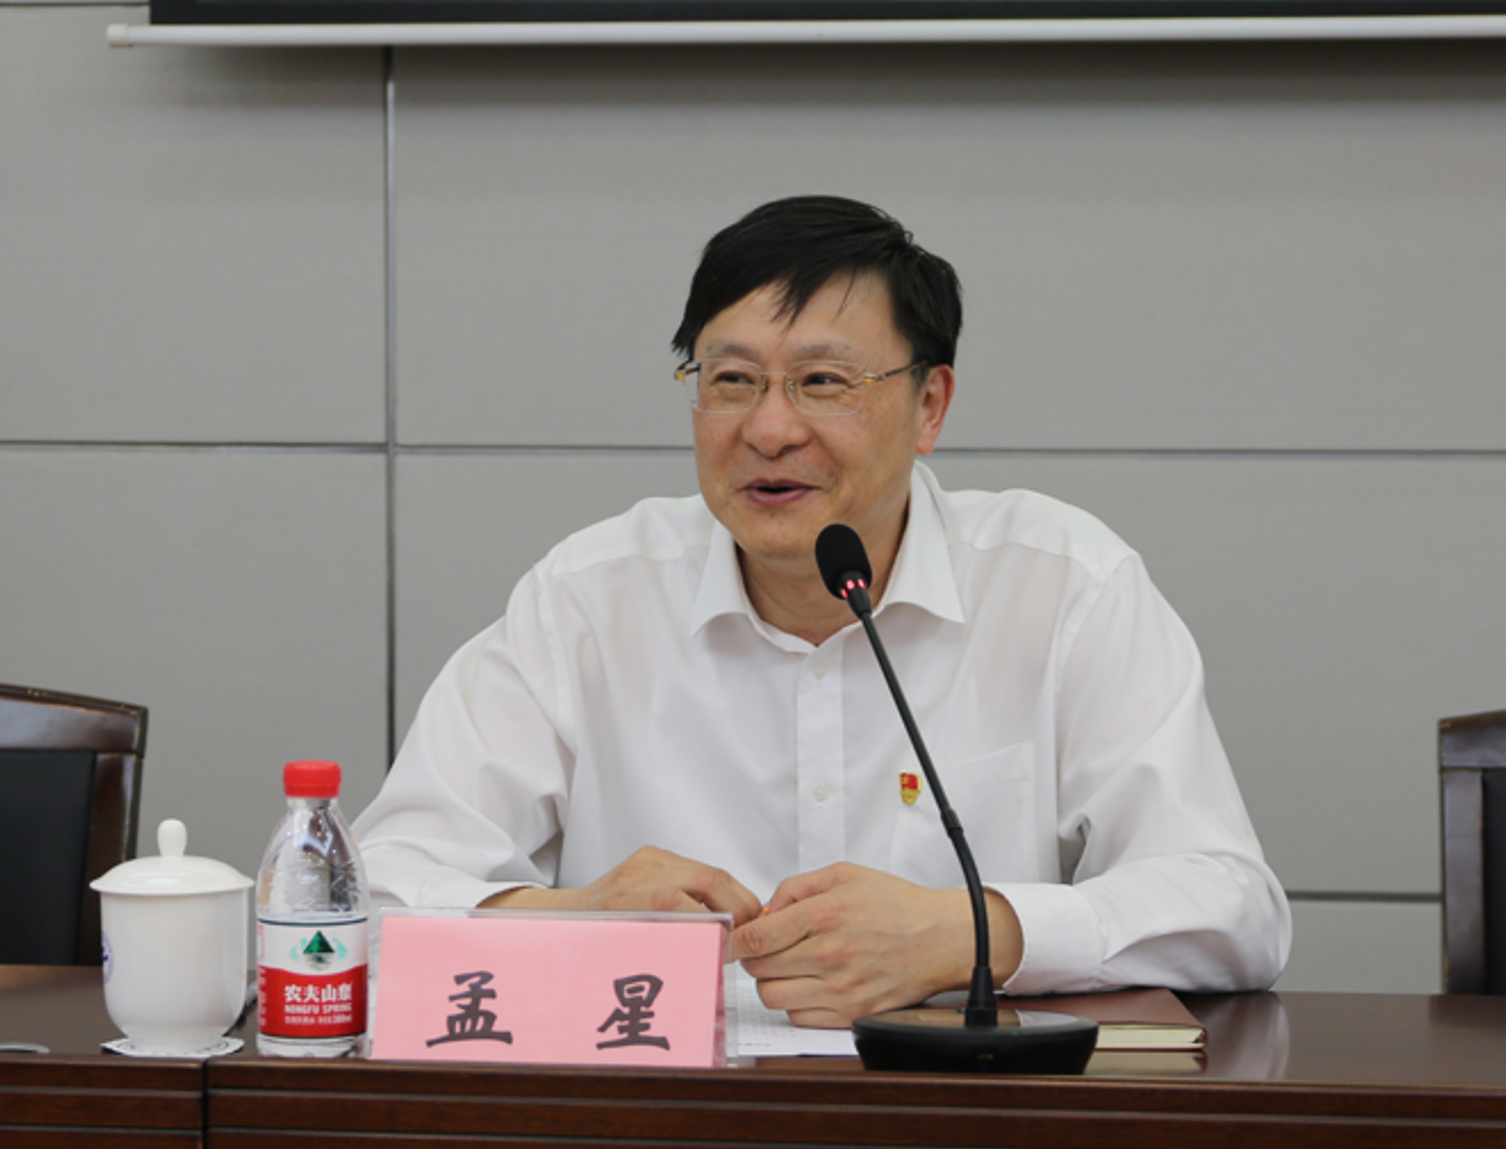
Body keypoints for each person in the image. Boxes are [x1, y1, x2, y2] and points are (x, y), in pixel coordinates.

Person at [353, 195, 1291, 1026]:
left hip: (962, 1122)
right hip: (668, 1122)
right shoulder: (588, 600)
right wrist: (576, 918)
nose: (769, 428)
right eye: (731, 380)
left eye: (823, 381)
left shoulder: (1061, 587)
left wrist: (972, 932)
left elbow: (1231, 906)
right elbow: (368, 893)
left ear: (930, 405)